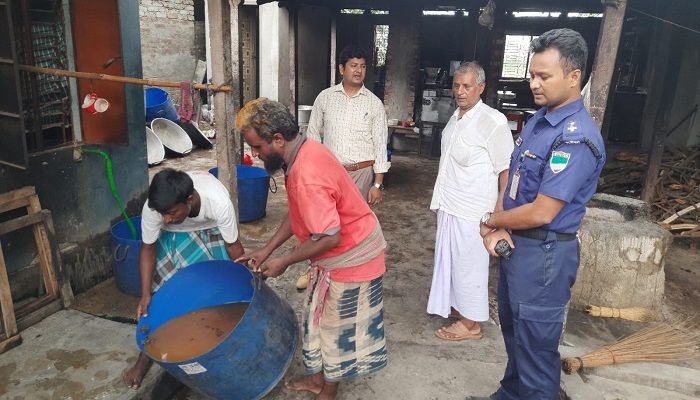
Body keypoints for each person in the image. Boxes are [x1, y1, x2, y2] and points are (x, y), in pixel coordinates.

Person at [470, 29, 606, 400]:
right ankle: (510, 393)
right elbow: (511, 181)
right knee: (515, 335)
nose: (534, 83)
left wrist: (492, 222)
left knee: (536, 352)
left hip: (544, 257)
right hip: (517, 249)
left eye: (543, 76)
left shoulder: (575, 137)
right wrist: (493, 223)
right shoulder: (538, 123)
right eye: (532, 74)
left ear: (574, 76)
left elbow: (544, 211)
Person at [235, 98, 387, 400]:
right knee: (316, 322)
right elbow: (297, 212)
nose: (255, 154)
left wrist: (286, 261)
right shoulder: (302, 152)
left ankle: (327, 391)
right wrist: (266, 249)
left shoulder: (307, 173)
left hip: (353, 256)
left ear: (278, 139)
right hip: (334, 255)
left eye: (257, 147)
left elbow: (329, 236)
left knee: (334, 331)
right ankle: (319, 378)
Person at [123, 168, 244, 389]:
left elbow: (233, 246)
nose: (165, 219)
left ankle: (220, 344)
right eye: (161, 214)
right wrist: (145, 294)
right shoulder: (156, 208)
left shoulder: (218, 202)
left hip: (212, 229)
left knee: (222, 289)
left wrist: (249, 281)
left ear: (189, 200)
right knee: (164, 295)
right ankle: (145, 358)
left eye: (170, 212)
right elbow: (148, 248)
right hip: (174, 236)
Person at [427, 62, 513, 341]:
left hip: (475, 210)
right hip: (451, 203)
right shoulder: (457, 116)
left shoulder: (493, 121)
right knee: (451, 260)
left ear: (481, 88)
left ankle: (471, 323)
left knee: (469, 265)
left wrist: (499, 215)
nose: (460, 91)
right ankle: (458, 307)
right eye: (457, 85)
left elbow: (507, 171)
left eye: (467, 86)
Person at [307, 45, 390, 206]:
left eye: (363, 66)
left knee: (356, 225)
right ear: (341, 69)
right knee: (328, 224)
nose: (359, 71)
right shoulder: (325, 98)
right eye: (353, 66)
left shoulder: (374, 104)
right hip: (329, 173)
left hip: (361, 173)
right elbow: (313, 136)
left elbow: (380, 145)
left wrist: (377, 185)